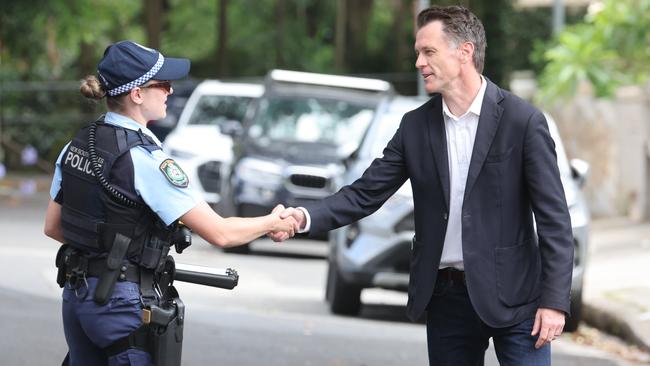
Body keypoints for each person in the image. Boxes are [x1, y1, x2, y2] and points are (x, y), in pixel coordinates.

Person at [271, 5, 573, 365]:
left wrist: (554, 302)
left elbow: (554, 217)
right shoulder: (415, 127)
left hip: (518, 296)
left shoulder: (522, 121)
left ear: (465, 53)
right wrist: (302, 217)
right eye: (418, 52)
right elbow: (365, 192)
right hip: (446, 297)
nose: (419, 62)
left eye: (428, 51)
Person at [43, 40, 298, 366]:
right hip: (119, 305)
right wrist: (272, 222)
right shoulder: (146, 160)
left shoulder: (78, 144)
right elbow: (221, 234)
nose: (171, 91)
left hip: (78, 298)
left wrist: (107, 254)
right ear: (137, 94)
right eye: (161, 84)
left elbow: (53, 226)